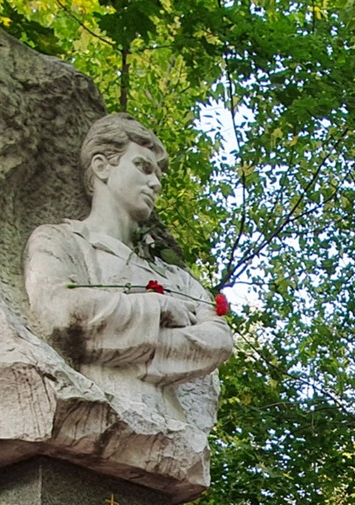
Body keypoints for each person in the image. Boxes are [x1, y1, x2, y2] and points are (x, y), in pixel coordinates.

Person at [22, 114, 233, 426]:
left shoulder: (174, 277)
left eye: (158, 175)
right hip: (84, 416)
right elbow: (61, 314)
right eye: (143, 167)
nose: (156, 183)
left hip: (168, 423)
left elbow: (217, 341)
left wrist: (112, 352)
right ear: (101, 166)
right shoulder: (60, 241)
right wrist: (159, 307)